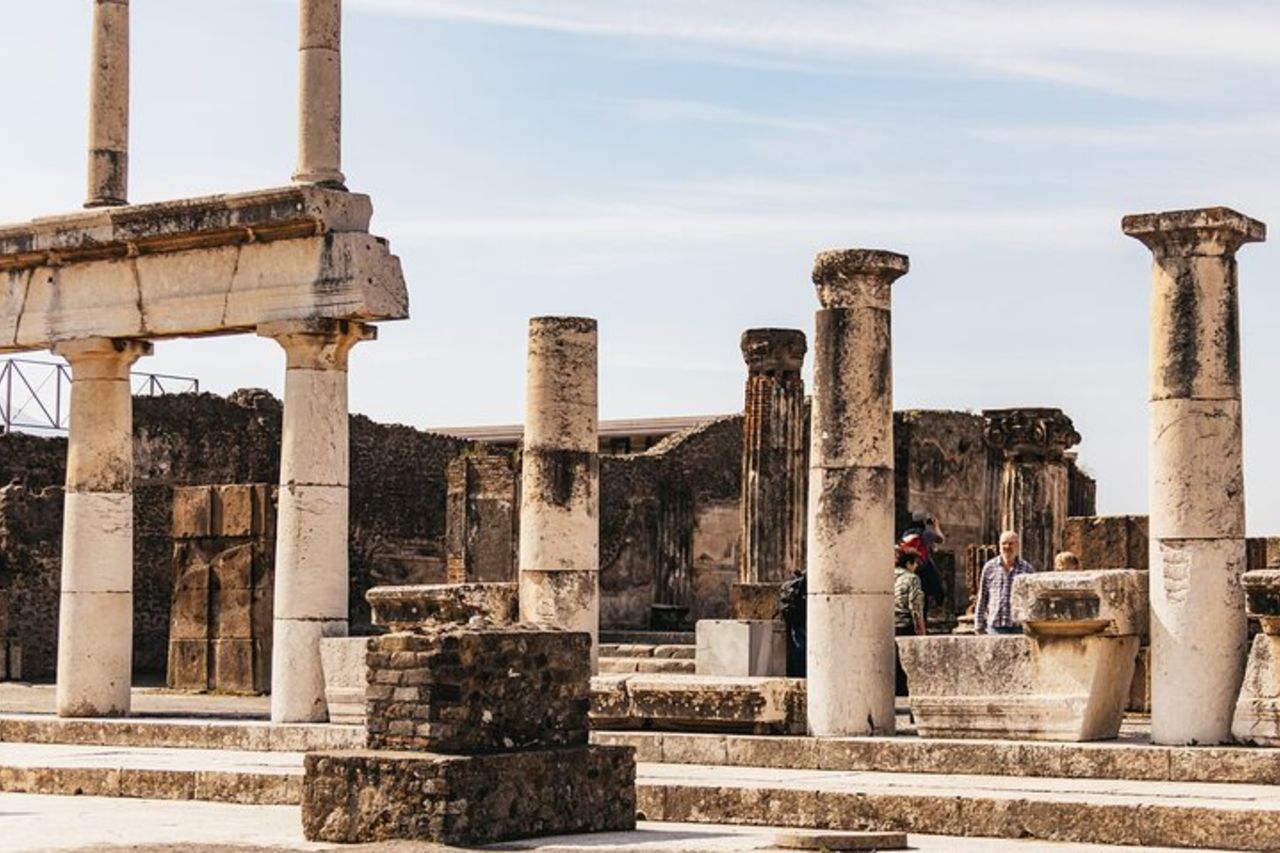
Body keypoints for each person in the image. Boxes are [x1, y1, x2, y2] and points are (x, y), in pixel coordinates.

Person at [973, 530, 1036, 635]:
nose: (1007, 547)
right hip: (995, 626)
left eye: (1011, 543)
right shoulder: (989, 567)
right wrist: (978, 624)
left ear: (1017, 545)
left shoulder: (1027, 569)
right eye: (1004, 543)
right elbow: (982, 597)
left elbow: (1032, 599)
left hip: (1018, 626)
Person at [893, 544, 926, 696]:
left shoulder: (885, 575)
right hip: (904, 624)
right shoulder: (912, 578)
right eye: (915, 563)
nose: (916, 567)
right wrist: (921, 631)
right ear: (908, 563)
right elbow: (915, 607)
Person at [902, 510, 946, 619]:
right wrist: (936, 526)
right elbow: (941, 539)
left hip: (908, 568)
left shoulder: (906, 534)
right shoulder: (925, 533)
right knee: (931, 592)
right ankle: (927, 617)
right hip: (923, 568)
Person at [779, 569, 807, 677]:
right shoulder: (806, 580)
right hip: (800, 616)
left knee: (797, 647)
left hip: (794, 617)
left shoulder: (794, 583)